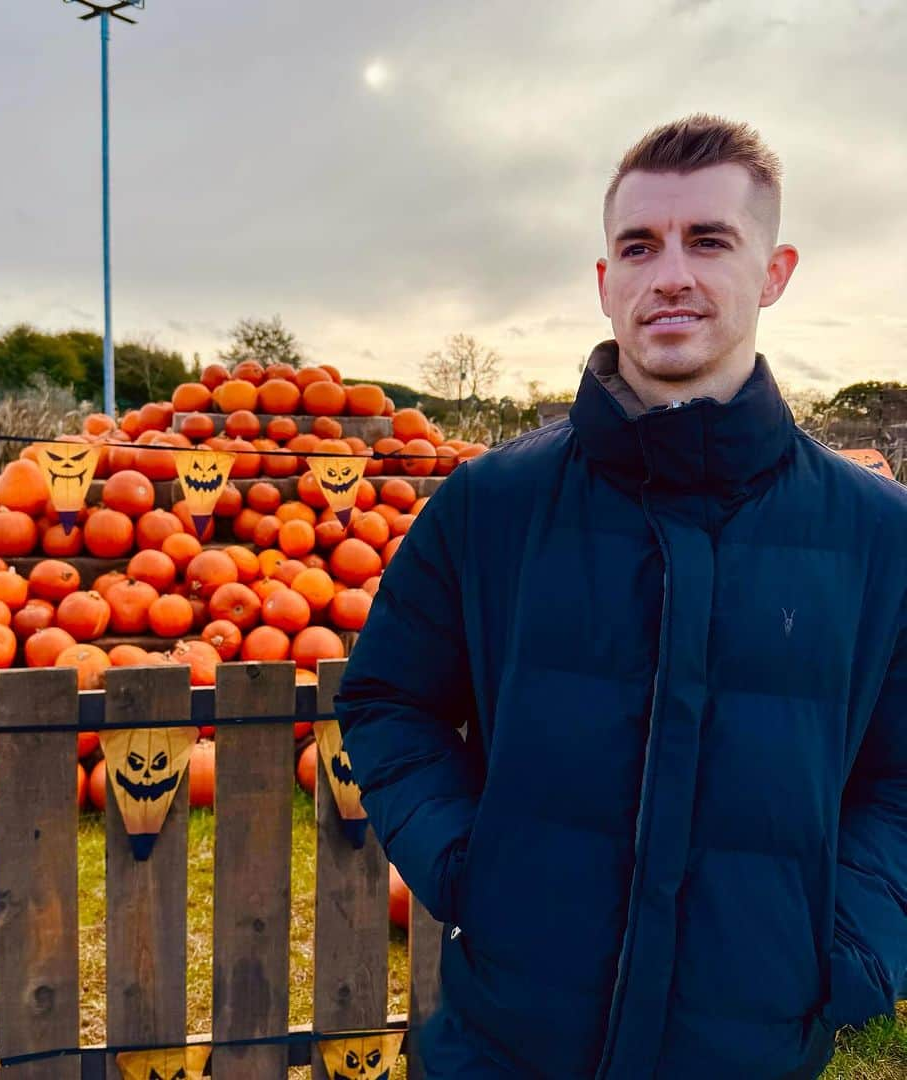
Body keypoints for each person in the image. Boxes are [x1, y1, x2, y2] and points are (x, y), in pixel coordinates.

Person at [333, 113, 907, 1079]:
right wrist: (477, 873)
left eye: (710, 240)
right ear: (606, 283)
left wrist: (845, 947)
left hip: (749, 1048)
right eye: (639, 246)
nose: (670, 273)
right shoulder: (492, 505)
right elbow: (387, 701)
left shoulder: (879, 534)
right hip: (508, 1046)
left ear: (775, 271)